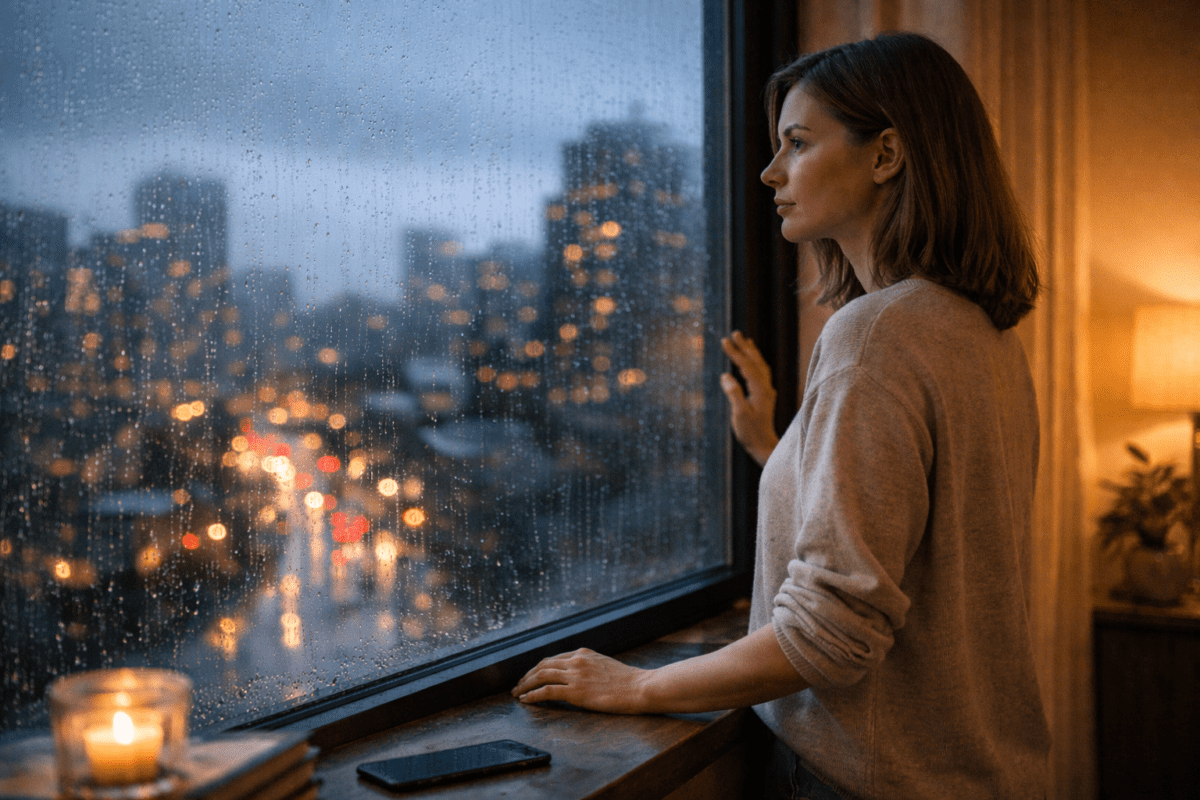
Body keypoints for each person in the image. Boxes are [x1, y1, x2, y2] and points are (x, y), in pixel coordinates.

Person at [512, 31, 1050, 799]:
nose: (770, 172)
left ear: (886, 154)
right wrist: (782, 451)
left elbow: (832, 635)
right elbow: (919, 535)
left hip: (869, 779)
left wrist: (636, 688)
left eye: (797, 143)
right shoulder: (983, 332)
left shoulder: (876, 334)